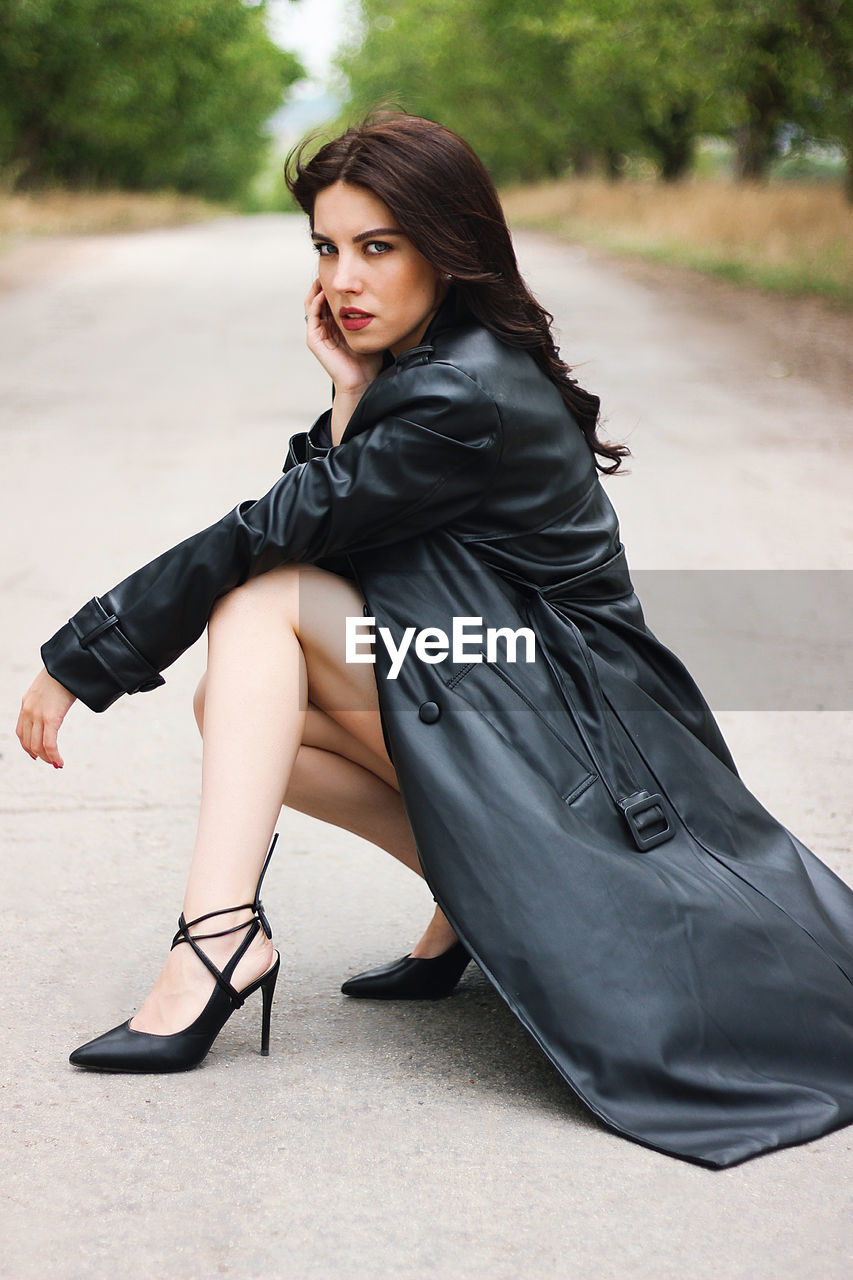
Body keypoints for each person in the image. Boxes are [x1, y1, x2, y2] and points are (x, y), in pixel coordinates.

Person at [16, 113, 853, 1167]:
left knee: (257, 607)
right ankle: (462, 903)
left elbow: (272, 532)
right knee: (248, 712)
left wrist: (81, 655)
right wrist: (348, 397)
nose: (344, 279)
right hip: (539, 695)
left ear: (446, 247)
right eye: (326, 247)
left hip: (580, 733)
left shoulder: (461, 387)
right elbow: (332, 510)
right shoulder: (439, 365)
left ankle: (217, 937)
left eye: (378, 246)